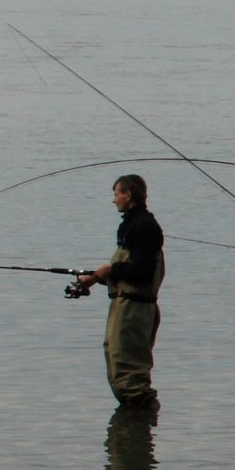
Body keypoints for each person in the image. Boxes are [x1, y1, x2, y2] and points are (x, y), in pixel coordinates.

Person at [73, 173, 164, 408]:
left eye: (116, 194)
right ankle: (131, 435)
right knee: (117, 366)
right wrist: (95, 279)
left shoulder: (145, 226)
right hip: (125, 307)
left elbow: (141, 272)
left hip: (134, 312)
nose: (114, 200)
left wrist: (110, 270)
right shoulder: (133, 225)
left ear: (128, 195)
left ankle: (140, 428)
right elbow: (129, 273)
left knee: (130, 375)